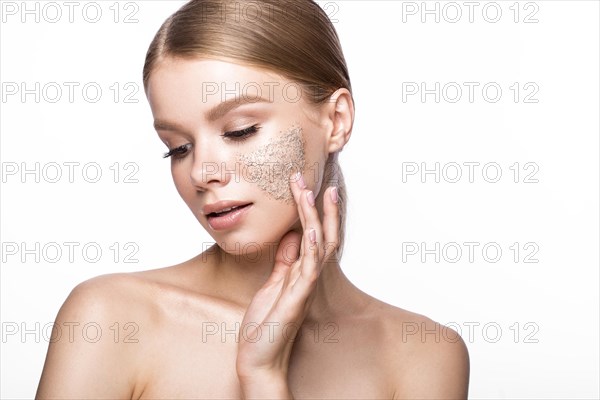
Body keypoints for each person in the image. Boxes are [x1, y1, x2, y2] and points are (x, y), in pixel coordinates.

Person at [36, 0, 469, 398]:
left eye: (240, 130)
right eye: (178, 147)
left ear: (335, 120)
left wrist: (264, 378)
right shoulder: (112, 319)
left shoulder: (421, 355)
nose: (203, 172)